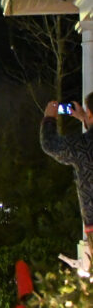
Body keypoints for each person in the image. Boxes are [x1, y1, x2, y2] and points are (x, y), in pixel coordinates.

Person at [41, 95, 93, 248]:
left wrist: (49, 118)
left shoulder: (83, 145)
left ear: (90, 113)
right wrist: (85, 119)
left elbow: (50, 144)